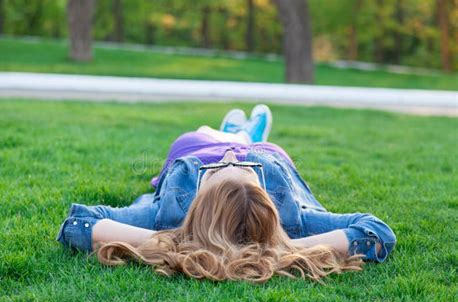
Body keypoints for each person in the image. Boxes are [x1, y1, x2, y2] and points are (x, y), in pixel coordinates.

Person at [57, 105, 397, 283]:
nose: (230, 157)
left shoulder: (171, 215)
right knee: (239, 142)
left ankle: (231, 131)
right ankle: (246, 135)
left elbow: (78, 225)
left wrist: (179, 239)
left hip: (194, 153)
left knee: (197, 135)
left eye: (220, 172)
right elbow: (376, 232)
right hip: (268, 154)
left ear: (201, 201)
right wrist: (279, 248)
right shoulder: (292, 216)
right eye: (240, 168)